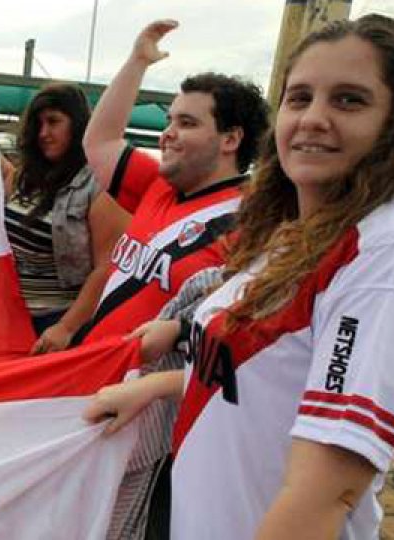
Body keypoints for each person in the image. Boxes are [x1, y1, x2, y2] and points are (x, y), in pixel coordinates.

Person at [85, 14, 394, 539]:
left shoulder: (393, 249)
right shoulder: (293, 235)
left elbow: (328, 490)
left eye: (348, 100)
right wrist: (157, 386)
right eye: (300, 98)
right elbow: (263, 385)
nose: (314, 118)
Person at [79, 20, 270, 539]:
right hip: (92, 380)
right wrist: (137, 62)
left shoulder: (256, 218)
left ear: (231, 139)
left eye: (186, 123)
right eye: (169, 119)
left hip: (154, 411)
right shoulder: (159, 187)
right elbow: (99, 141)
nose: (168, 132)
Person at [3, 84, 127, 354]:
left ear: (79, 125)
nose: (43, 133)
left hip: (57, 324)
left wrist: (67, 328)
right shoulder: (24, 176)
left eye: (54, 122)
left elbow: (108, 268)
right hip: (8, 318)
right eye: (38, 124)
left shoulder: (100, 187)